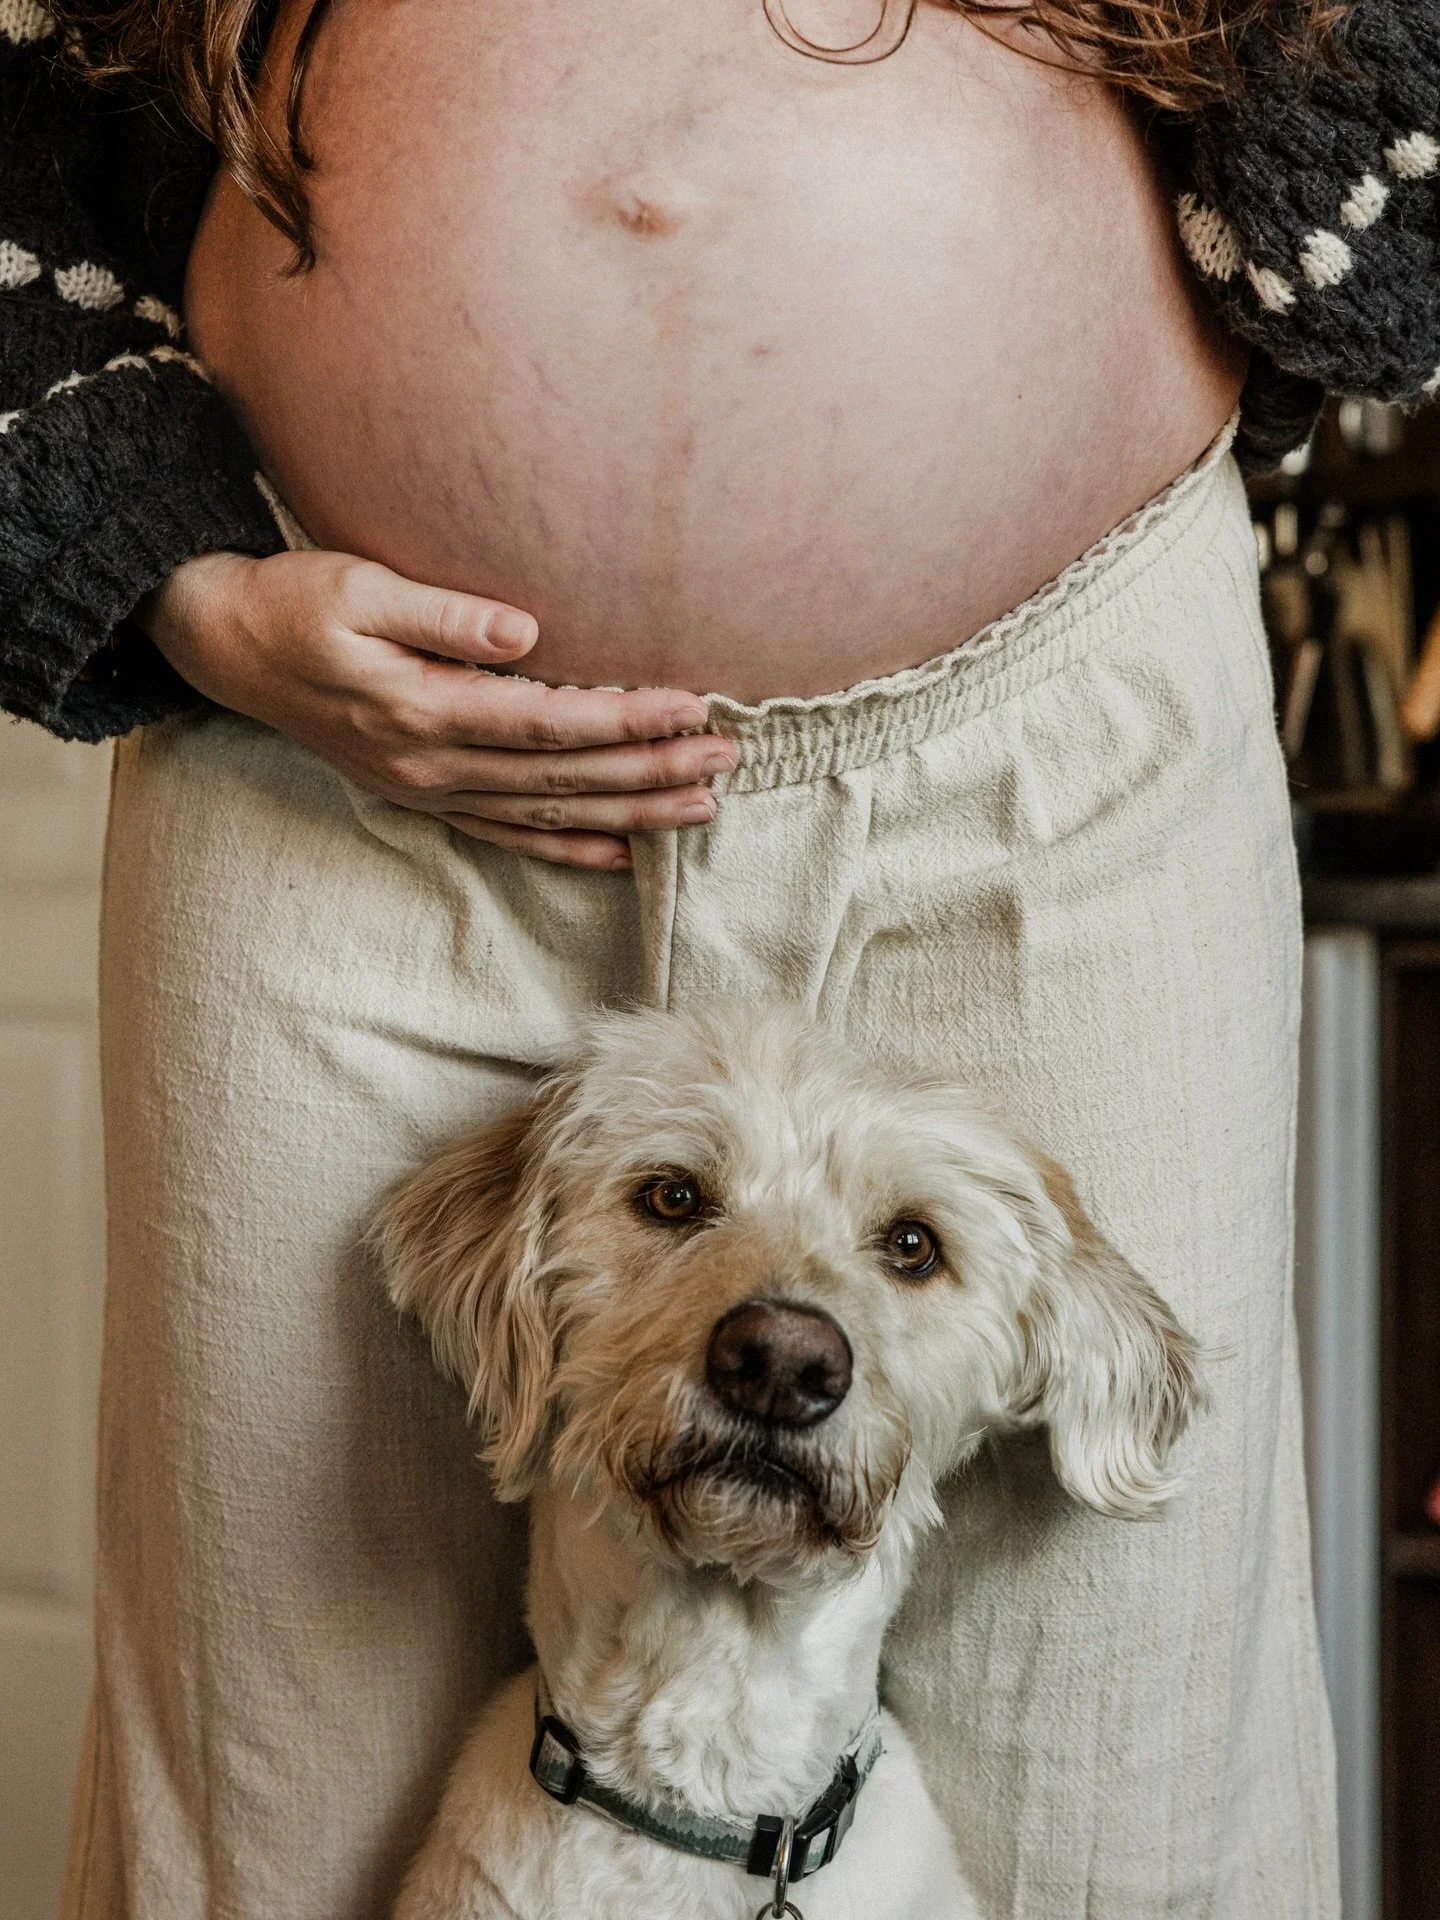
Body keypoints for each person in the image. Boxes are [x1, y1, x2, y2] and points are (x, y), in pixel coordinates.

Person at [1, 0, 1435, 1913]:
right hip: (327, 780)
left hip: (1046, 765)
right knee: (270, 1745)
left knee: (1126, 1757)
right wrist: (181, 593)